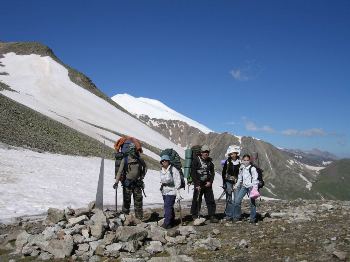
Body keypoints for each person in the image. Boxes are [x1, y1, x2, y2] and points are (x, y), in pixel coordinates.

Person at [115, 143, 147, 220]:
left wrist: (142, 176)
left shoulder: (139, 159)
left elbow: (145, 167)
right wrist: (116, 182)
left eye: (134, 149)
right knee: (126, 201)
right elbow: (119, 171)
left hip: (137, 183)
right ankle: (125, 218)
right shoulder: (125, 160)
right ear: (129, 150)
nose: (133, 151)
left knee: (138, 202)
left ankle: (139, 219)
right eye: (131, 149)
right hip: (127, 184)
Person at [190, 145, 218, 223]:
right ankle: (194, 215)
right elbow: (193, 173)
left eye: (207, 152)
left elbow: (212, 173)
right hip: (198, 184)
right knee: (196, 200)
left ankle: (212, 215)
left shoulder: (210, 162)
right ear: (201, 152)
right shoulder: (196, 161)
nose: (206, 153)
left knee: (210, 200)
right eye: (204, 152)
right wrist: (197, 184)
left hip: (207, 184)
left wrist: (210, 182)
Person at [232, 154, 259, 223]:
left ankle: (252, 218)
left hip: (251, 187)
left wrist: (254, 188)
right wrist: (236, 185)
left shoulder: (252, 168)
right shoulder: (242, 168)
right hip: (244, 187)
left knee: (252, 203)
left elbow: (255, 179)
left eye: (247, 160)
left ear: (249, 160)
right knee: (237, 201)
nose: (246, 161)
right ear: (242, 161)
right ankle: (237, 216)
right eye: (245, 160)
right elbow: (240, 178)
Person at [159, 155, 182, 229]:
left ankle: (167, 223)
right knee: (169, 207)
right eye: (162, 161)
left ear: (168, 161)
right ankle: (172, 221)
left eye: (165, 160)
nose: (164, 162)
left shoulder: (173, 169)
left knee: (167, 206)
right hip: (164, 191)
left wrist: (177, 191)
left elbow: (177, 180)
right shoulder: (161, 170)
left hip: (172, 191)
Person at [222, 145, 241, 220]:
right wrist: (224, 183)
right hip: (228, 182)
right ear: (230, 154)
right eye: (232, 153)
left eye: (234, 153)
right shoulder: (227, 162)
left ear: (237, 153)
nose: (233, 155)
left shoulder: (240, 162)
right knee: (229, 198)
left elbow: (241, 173)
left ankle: (237, 215)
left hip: (237, 182)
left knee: (237, 199)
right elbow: (223, 173)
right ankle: (229, 215)